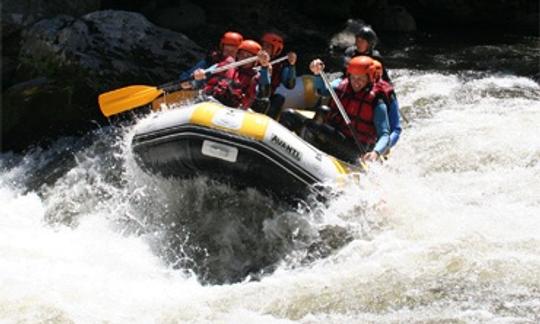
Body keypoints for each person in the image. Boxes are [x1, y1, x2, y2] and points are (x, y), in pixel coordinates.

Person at [281, 56, 390, 164]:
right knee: (288, 115)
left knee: (313, 128)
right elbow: (322, 91)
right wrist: (318, 74)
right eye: (353, 78)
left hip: (354, 148)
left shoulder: (377, 102)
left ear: (369, 78)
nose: (356, 82)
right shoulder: (341, 84)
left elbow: (385, 134)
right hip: (333, 134)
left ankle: (304, 159)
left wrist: (376, 152)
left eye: (361, 79)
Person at [192, 40, 271, 110]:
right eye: (242, 54)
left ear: (255, 61)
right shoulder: (226, 65)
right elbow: (206, 72)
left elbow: (264, 93)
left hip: (233, 110)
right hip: (210, 100)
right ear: (237, 55)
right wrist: (199, 74)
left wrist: (265, 67)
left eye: (248, 56)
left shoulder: (255, 77)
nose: (244, 58)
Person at [259, 32, 297, 119]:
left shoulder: (280, 66)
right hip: (250, 91)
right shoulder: (254, 59)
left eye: (268, 47)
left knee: (278, 99)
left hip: (265, 97)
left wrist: (292, 65)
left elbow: (290, 85)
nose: (264, 49)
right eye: (263, 45)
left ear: (276, 50)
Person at [179, 31, 244, 82]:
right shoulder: (212, 58)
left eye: (232, 51)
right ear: (222, 48)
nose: (229, 53)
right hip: (203, 83)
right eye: (226, 50)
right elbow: (188, 75)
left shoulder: (242, 64)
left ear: (238, 52)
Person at [372, 60, 401, 150]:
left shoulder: (388, 93)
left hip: (378, 140)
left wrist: (384, 147)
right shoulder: (354, 87)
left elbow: (396, 129)